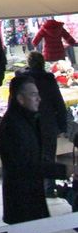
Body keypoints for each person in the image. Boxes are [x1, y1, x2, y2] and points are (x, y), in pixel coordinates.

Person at [0, 73, 64, 233]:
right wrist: (62, 170)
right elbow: (26, 165)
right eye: (34, 95)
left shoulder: (25, 122)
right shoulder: (14, 126)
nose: (39, 99)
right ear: (20, 99)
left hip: (27, 195)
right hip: (23, 196)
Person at [25, 52, 69, 196]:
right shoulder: (49, 80)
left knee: (31, 157)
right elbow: (59, 104)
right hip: (48, 124)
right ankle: (49, 188)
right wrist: (63, 126)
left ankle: (33, 188)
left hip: (29, 125)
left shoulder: (23, 80)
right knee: (49, 156)